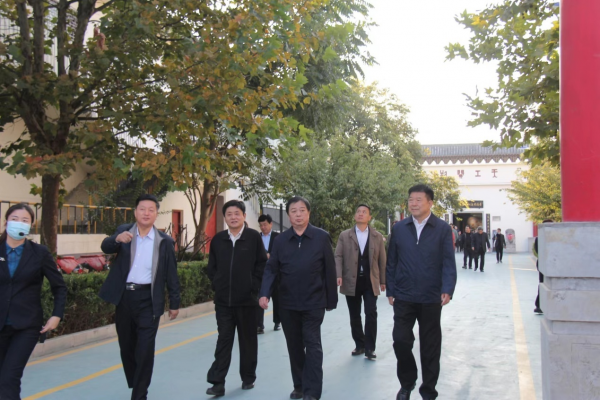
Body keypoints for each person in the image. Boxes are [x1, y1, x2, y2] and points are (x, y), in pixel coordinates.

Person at [99, 194, 181, 400]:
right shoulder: (124, 231)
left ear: (156, 214)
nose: (146, 213)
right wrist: (116, 239)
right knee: (127, 347)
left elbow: (171, 274)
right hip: (124, 298)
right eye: (142, 209)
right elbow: (105, 246)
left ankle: (139, 394)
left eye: (151, 210)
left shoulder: (164, 242)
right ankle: (136, 382)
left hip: (148, 299)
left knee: (145, 349)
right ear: (135, 212)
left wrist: (175, 303)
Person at [259, 196, 337, 400]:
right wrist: (264, 293)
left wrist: (331, 300)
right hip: (288, 303)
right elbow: (271, 269)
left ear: (308, 213)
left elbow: (329, 269)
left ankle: (312, 391)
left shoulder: (321, 237)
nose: (298, 214)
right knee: (294, 346)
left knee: (313, 345)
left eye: (302, 210)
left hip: (314, 302)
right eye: (293, 211)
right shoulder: (281, 241)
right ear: (288, 215)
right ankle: (300, 386)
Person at [387, 184, 457, 400]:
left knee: (430, 346)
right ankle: (407, 383)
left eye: (418, 200)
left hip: (431, 296)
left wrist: (447, 288)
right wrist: (391, 289)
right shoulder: (399, 228)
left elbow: (448, 261)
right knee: (400, 340)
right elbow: (392, 261)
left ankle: (428, 390)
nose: (414, 203)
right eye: (411, 200)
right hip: (404, 295)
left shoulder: (442, 228)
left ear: (430, 203)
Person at [0, 203, 67, 400]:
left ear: (31, 225)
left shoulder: (39, 253)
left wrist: (56, 315)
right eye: (14, 219)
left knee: (9, 378)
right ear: (6, 222)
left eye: (24, 220)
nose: (18, 223)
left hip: (26, 326)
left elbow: (59, 286)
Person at [205, 200, 267, 396]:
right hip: (223, 302)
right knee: (224, 340)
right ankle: (217, 382)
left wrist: (254, 287)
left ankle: (248, 378)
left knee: (248, 341)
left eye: (237, 213)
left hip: (247, 301)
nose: (233, 217)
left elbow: (261, 265)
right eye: (229, 214)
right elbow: (212, 267)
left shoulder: (253, 237)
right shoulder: (218, 239)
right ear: (225, 217)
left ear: (244, 216)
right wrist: (218, 283)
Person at [335, 204, 386, 360]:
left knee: (371, 313)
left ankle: (370, 348)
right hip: (351, 280)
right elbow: (338, 256)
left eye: (364, 212)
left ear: (369, 217)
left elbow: (382, 260)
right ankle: (360, 344)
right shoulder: (345, 235)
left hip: (370, 280)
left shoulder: (377, 236)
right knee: (354, 314)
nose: (361, 214)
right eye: (358, 211)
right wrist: (338, 274)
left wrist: (383, 280)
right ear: (355, 216)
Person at [256, 214, 280, 334]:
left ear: (271, 224)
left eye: (265, 224)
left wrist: (271, 255)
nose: (263, 227)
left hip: (275, 273)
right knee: (260, 298)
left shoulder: (278, 237)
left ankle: (277, 322)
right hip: (261, 273)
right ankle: (259, 325)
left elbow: (281, 252)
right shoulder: (257, 237)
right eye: (261, 225)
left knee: (277, 298)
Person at [534, 219, 554, 314]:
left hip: (550, 264)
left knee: (546, 284)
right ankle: (539, 305)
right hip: (544, 265)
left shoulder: (555, 237)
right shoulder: (539, 238)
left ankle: (542, 305)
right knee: (543, 284)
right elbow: (538, 251)